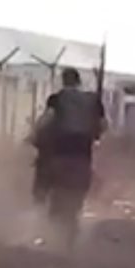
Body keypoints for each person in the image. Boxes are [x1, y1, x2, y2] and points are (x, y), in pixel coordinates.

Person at [30, 67, 106, 250]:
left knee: (48, 189)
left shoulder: (57, 99)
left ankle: (53, 235)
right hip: (83, 158)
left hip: (60, 157)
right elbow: (103, 125)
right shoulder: (93, 101)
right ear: (79, 81)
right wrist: (94, 136)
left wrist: (32, 136)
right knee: (75, 199)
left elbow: (44, 121)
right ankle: (68, 238)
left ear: (63, 80)